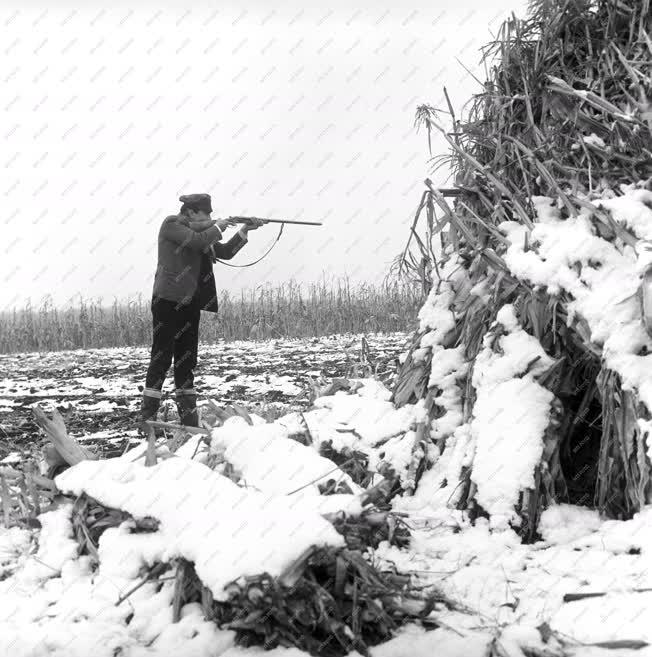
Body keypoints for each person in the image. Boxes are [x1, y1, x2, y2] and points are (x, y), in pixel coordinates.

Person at [139, 193, 265, 432]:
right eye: (206, 213)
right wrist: (218, 226)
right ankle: (146, 421)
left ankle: (189, 422)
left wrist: (244, 230)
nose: (210, 217)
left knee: (187, 361)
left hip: (190, 304)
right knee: (161, 358)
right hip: (167, 301)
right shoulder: (171, 224)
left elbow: (225, 252)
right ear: (191, 212)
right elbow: (195, 241)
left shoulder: (200, 234)